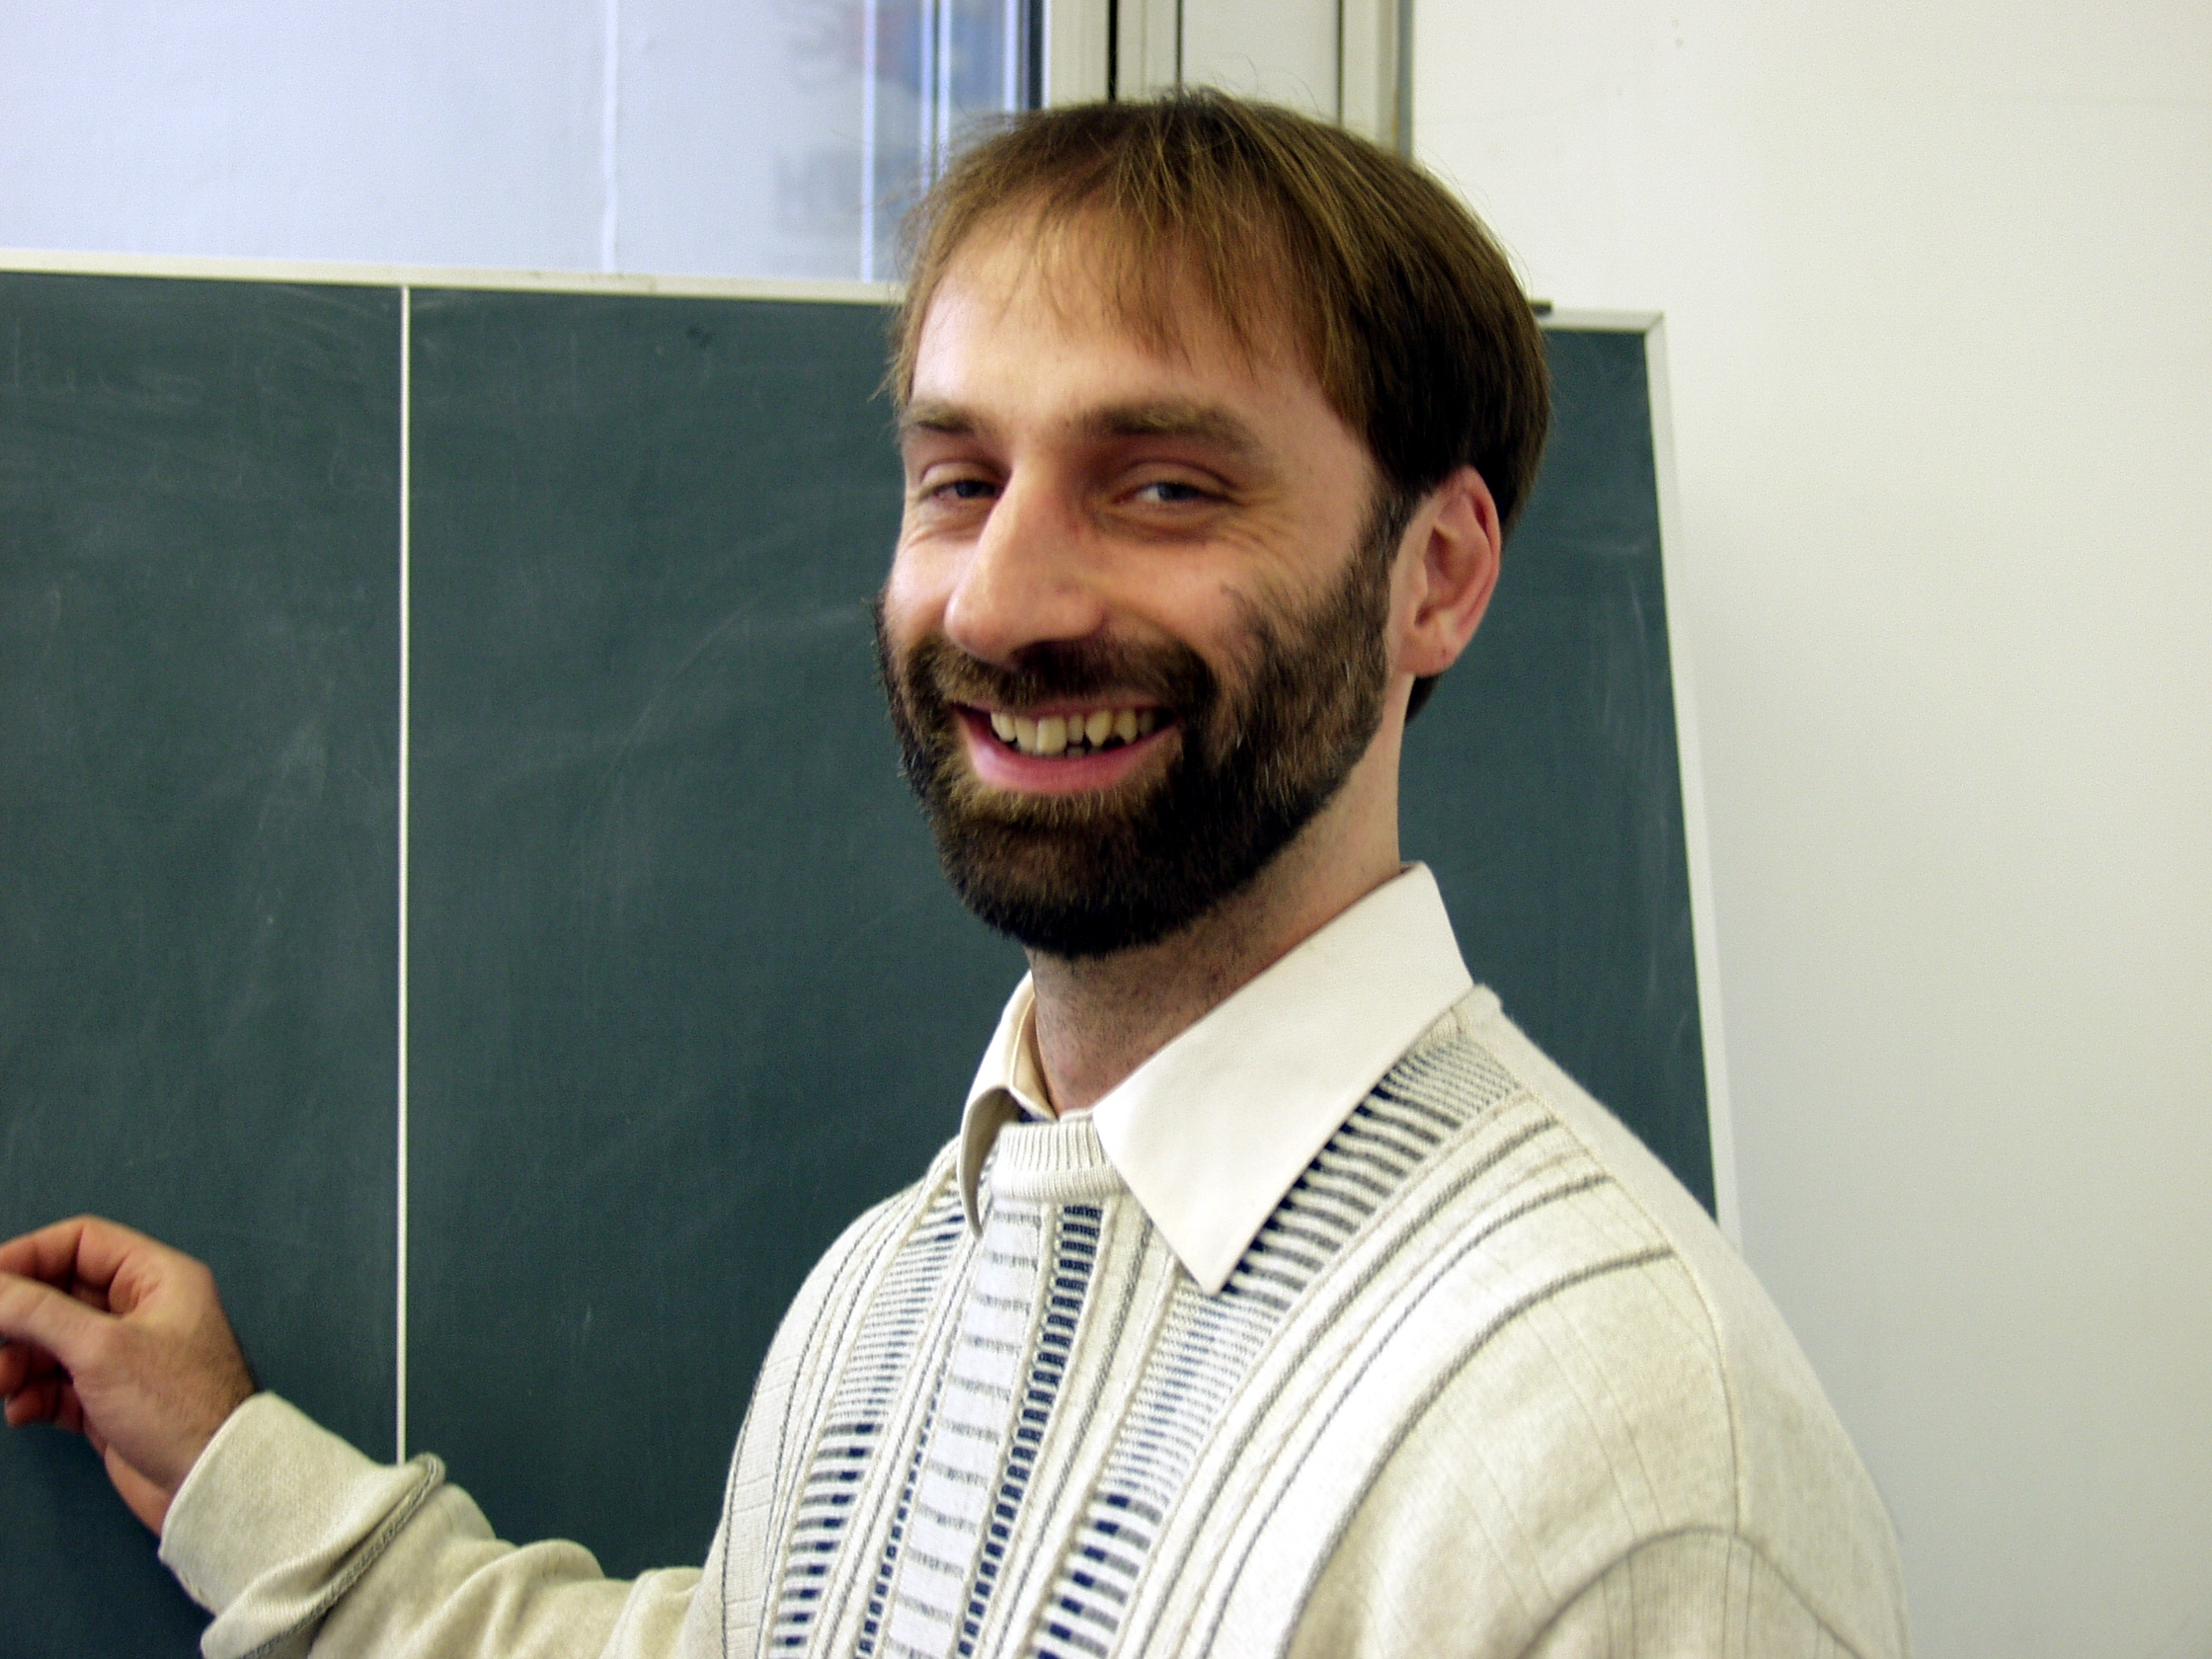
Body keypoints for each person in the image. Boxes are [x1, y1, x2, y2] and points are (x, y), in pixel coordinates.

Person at [0, 93, 1912, 1657]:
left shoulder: (1625, 1461)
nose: (998, 603)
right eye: (959, 478)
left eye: (1162, 484)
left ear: (1439, 575)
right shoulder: (894, 1294)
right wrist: (236, 1471)